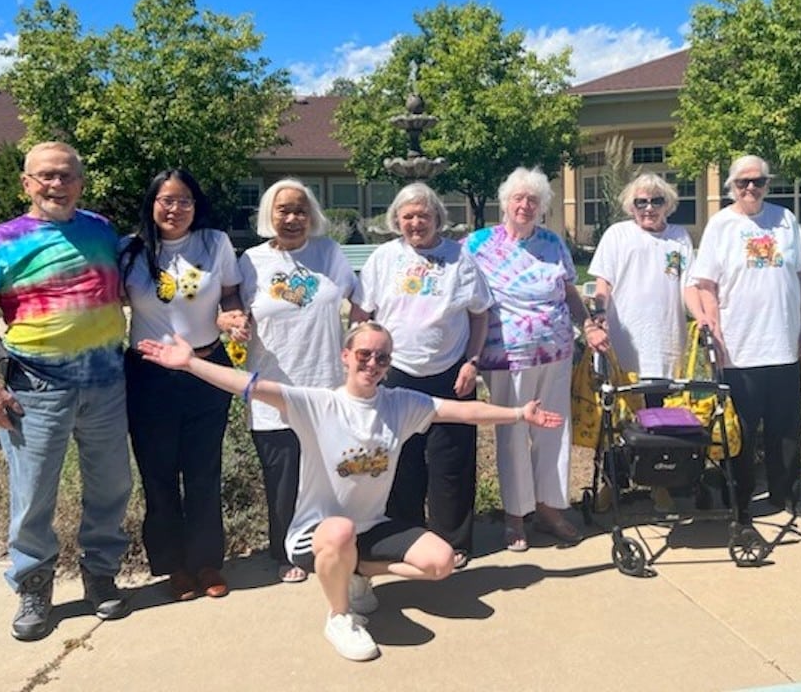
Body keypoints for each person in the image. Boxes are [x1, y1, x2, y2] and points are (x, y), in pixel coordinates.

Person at [135, 321, 563, 661]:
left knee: (442, 562)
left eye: (382, 357)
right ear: (345, 357)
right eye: (364, 354)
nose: (372, 363)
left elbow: (463, 411)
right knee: (338, 530)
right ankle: (340, 616)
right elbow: (247, 384)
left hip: (370, 526)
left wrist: (518, 413)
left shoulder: (400, 404)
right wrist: (190, 363)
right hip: (314, 536)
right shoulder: (316, 404)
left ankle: (354, 575)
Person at [0, 141, 132, 641]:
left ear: (80, 183)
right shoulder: (3, 240)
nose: (55, 184)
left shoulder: (101, 231)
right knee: (33, 494)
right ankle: (34, 585)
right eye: (45, 176)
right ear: (26, 183)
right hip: (35, 388)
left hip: (105, 382)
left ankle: (101, 575)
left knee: (111, 487)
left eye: (65, 176)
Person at [120, 169, 248, 600]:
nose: (175, 209)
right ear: (152, 204)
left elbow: (230, 294)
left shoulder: (215, 243)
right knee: (157, 474)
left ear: (197, 205)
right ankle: (173, 565)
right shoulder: (131, 250)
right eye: (166, 200)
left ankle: (207, 561)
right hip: (148, 377)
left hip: (206, 370)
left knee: (202, 471)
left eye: (185, 200)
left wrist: (231, 315)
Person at [359, 183, 492, 570]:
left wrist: (473, 362)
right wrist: (364, 364)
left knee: (451, 462)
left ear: (437, 218)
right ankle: (406, 537)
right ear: (397, 220)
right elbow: (361, 311)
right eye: (408, 216)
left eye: (424, 215)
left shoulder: (460, 259)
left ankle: (454, 541)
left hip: (451, 374)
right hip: (396, 373)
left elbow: (480, 313)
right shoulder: (384, 258)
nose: (416, 222)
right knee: (401, 461)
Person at [238, 179, 364, 584]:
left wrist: (361, 352)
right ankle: (285, 551)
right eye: (283, 211)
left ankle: (332, 544)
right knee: (283, 478)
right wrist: (232, 322)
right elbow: (231, 309)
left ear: (312, 216)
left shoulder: (328, 253)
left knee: (330, 474)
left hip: (325, 386)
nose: (292, 219)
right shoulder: (251, 261)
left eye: (300, 211)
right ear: (268, 216)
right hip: (272, 390)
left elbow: (360, 304)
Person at [464, 167, 594, 551]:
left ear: (541, 207)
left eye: (533, 200)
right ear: (505, 203)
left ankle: (551, 508)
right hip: (506, 355)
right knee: (514, 433)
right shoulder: (477, 244)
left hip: (556, 352)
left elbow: (570, 292)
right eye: (518, 199)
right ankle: (515, 516)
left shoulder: (553, 242)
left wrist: (587, 325)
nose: (525, 205)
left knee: (554, 429)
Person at [688, 155, 801, 525]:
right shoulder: (721, 225)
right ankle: (739, 498)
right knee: (739, 431)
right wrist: (714, 332)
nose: (750, 188)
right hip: (739, 350)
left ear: (767, 183)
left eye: (757, 181)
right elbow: (706, 285)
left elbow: (800, 276)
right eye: (743, 182)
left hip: (783, 346)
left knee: (786, 428)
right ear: (731, 186)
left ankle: (786, 494)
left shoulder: (785, 220)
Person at [588, 173, 694, 511]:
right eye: (641, 202)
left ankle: (657, 485)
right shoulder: (618, 235)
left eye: (656, 201)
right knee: (615, 420)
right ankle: (612, 483)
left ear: (668, 204)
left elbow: (689, 287)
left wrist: (705, 317)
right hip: (623, 347)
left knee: (659, 420)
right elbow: (602, 283)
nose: (649, 208)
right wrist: (599, 314)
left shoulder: (679, 238)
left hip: (665, 347)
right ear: (630, 206)